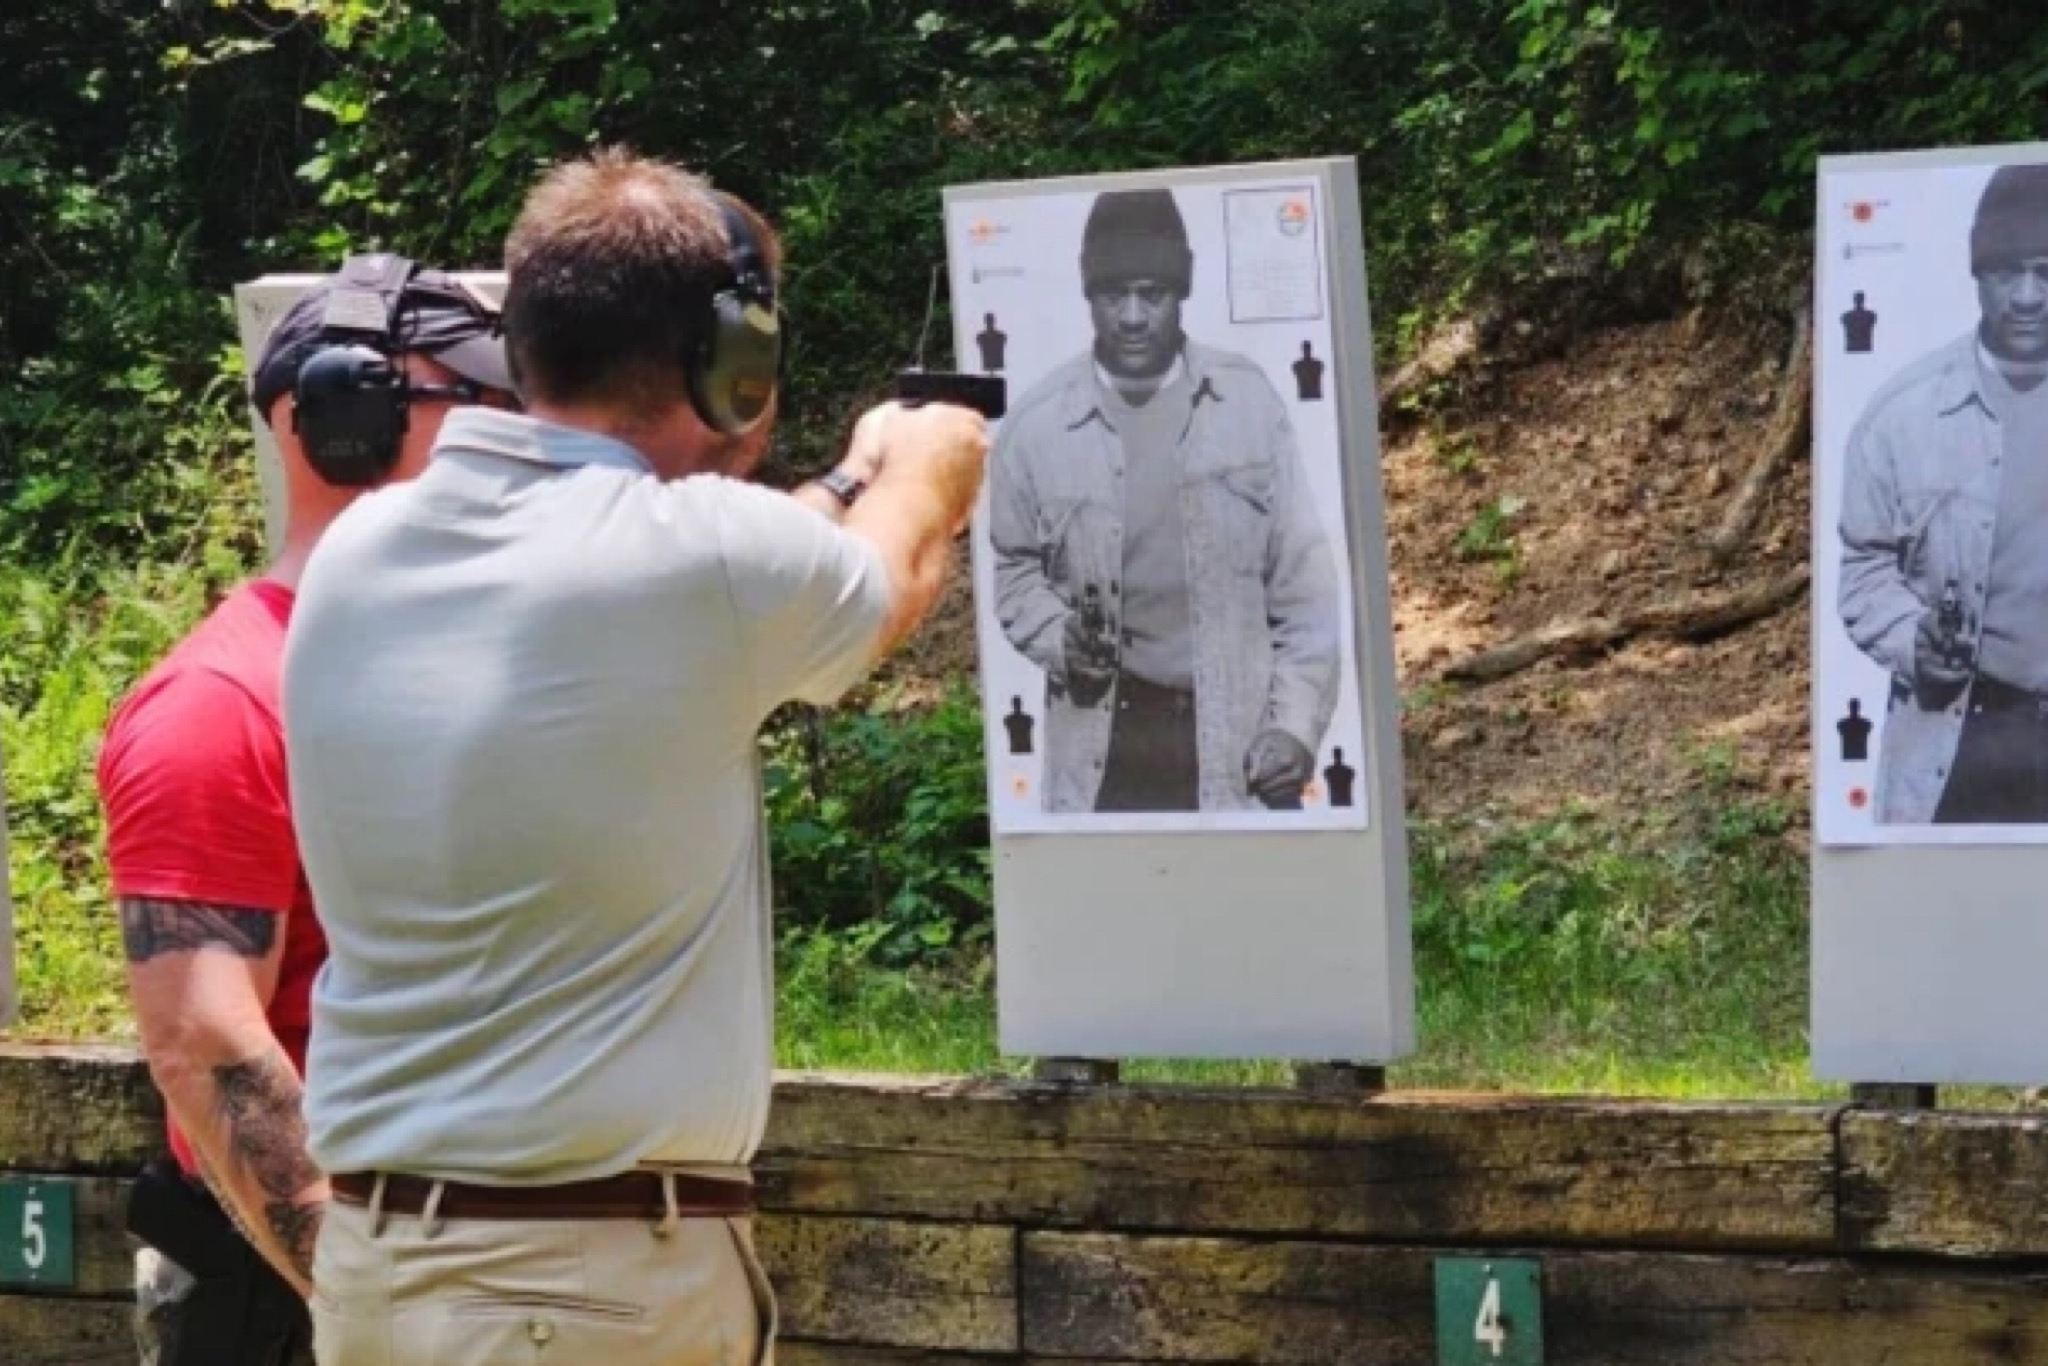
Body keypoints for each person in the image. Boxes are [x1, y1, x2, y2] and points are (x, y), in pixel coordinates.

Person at [277, 147, 988, 1366]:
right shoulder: (699, 561)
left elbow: (691, 565)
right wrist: (921, 456)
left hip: (386, 1268)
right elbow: (887, 574)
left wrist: (836, 475)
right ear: (735, 363)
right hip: (575, 1288)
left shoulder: (369, 546)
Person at [94, 258, 519, 1366]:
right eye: (479, 406)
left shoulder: (469, 670)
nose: (516, 439)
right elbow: (207, 1042)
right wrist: (378, 1315)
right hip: (314, 1293)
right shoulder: (220, 701)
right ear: (338, 420)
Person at [987, 186, 1343, 814]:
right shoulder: (1034, 427)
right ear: (1088, 296)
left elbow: (1303, 586)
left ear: (1183, 291)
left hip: (1235, 745)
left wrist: (1293, 725)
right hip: (1105, 751)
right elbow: (1014, 571)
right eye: (1112, 295)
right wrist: (1058, 636)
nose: (1131, 316)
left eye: (1151, 294)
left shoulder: (1247, 404)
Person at [1838, 161, 2048, 823]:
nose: (2027, 296)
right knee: (1948, 921)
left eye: (2047, 271)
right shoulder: (1903, 415)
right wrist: (1913, 642)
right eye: (2006, 272)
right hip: (1962, 740)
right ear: (1976, 277)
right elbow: (1865, 570)